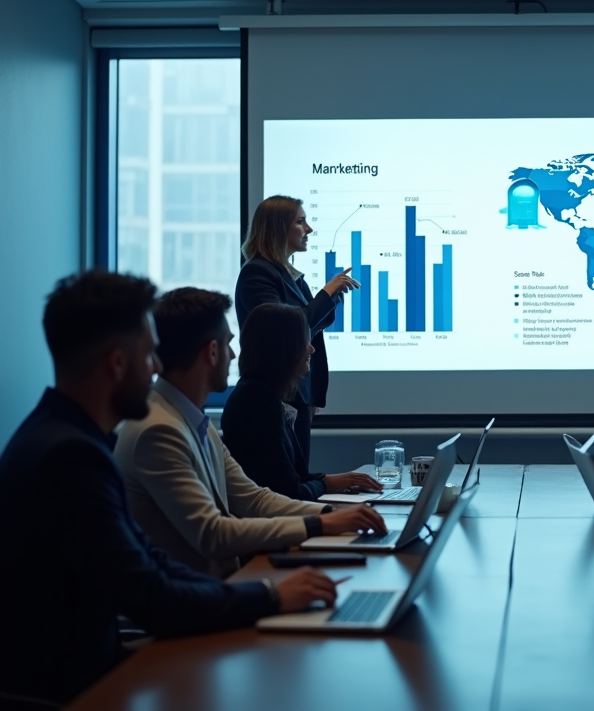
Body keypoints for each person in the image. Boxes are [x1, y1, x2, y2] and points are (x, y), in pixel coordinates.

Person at [0, 271, 342, 707]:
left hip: (92, 668)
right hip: (76, 689)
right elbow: (151, 596)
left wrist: (264, 592)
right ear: (116, 364)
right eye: (148, 356)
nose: (158, 367)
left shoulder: (67, 439)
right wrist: (270, 595)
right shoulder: (70, 458)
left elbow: (149, 563)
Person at [115, 287, 386, 578]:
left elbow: (254, 499)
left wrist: (331, 515)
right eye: (229, 344)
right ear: (212, 351)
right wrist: (318, 525)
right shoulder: (158, 430)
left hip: (218, 591)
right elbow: (213, 533)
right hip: (193, 608)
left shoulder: (188, 419)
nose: (233, 355)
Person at [235, 195, 359, 459]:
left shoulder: (291, 277)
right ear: (279, 228)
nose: (309, 230)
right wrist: (327, 293)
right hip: (274, 397)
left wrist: (313, 395)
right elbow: (285, 330)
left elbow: (310, 330)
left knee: (298, 478)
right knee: (286, 485)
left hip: (297, 396)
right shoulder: (257, 273)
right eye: (301, 222)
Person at [221, 303, 371, 501]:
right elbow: (288, 492)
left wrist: (331, 480)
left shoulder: (264, 393)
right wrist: (326, 484)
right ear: (283, 346)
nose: (311, 349)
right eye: (304, 340)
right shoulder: (255, 399)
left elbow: (292, 478)